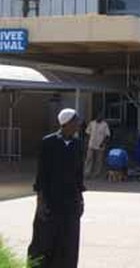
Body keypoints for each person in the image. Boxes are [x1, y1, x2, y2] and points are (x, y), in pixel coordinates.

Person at [28, 108, 85, 268]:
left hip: (71, 201)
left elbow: (78, 174)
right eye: (76, 122)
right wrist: (40, 202)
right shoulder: (48, 142)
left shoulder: (78, 144)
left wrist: (80, 199)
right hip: (51, 201)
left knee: (69, 241)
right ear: (65, 124)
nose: (78, 125)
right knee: (44, 240)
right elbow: (41, 174)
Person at [84, 114, 110, 179]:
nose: (99, 117)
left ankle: (96, 174)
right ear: (96, 117)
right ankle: (87, 173)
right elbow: (87, 133)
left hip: (100, 145)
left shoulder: (105, 125)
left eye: (101, 117)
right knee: (89, 159)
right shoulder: (92, 123)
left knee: (98, 160)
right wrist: (86, 142)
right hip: (91, 144)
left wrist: (103, 143)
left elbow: (107, 135)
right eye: (98, 116)